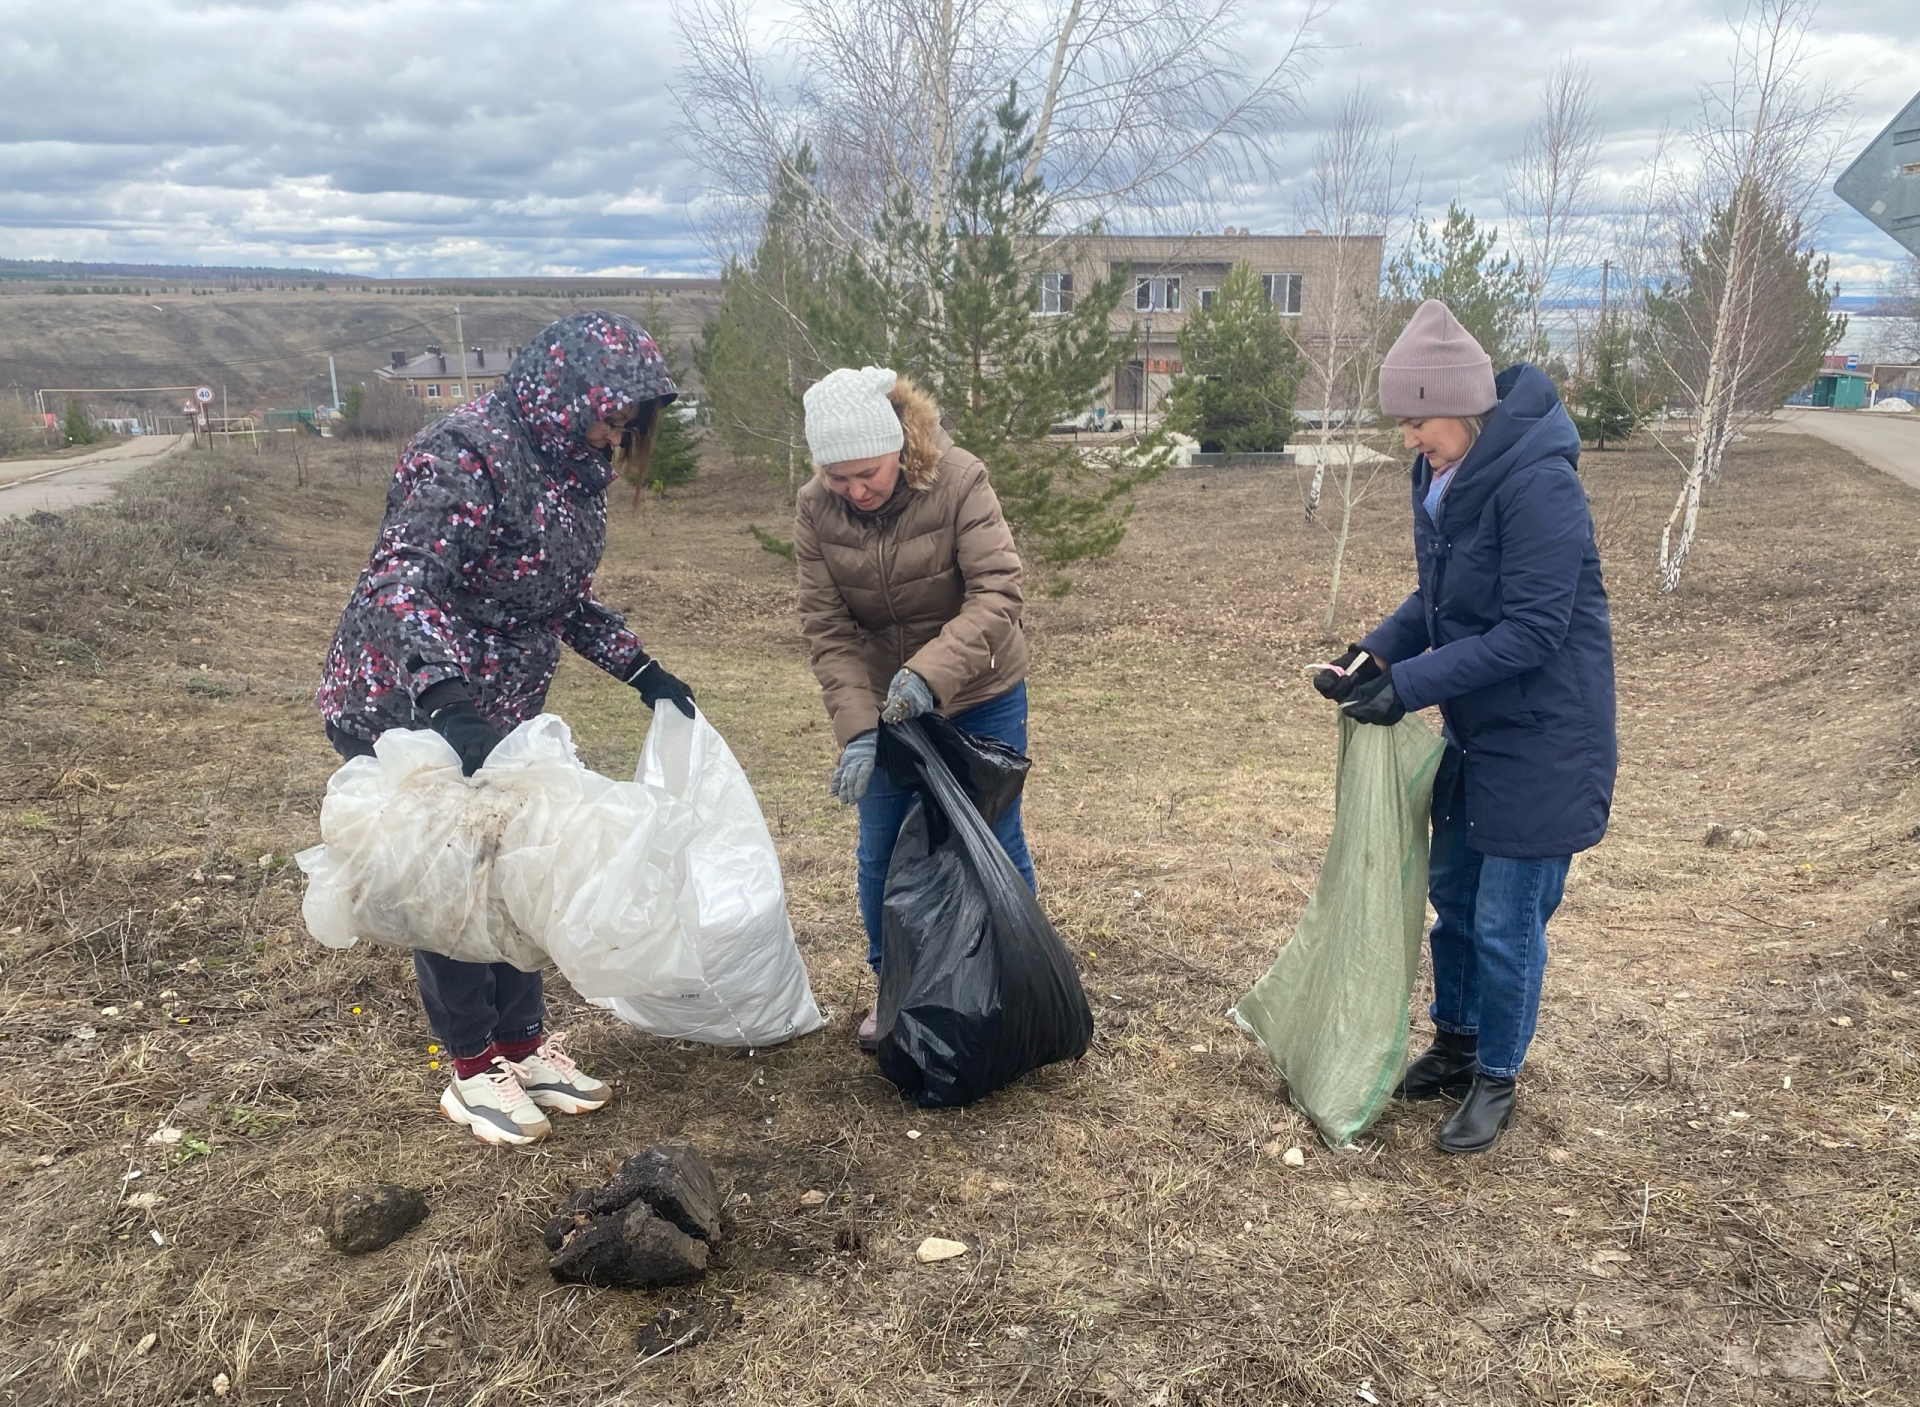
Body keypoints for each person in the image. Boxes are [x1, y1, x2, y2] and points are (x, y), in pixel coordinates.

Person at [316, 311, 699, 1147]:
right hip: (409, 702)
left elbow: (556, 594)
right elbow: (400, 585)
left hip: (498, 712)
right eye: (608, 416)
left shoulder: (573, 471)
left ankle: (523, 1045)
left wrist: (642, 671)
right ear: (565, 393)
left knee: (515, 869)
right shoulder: (464, 452)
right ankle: (471, 1065)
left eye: (628, 425)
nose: (615, 435)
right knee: (450, 881)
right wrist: (450, 702)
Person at [1315, 299, 1617, 1155]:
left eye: (1418, 419)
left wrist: (1409, 687)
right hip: (1479, 729)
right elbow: (1439, 601)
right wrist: (1373, 656)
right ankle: (1454, 1044)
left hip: (1547, 738)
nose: (1409, 437)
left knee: (1505, 919)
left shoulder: (1539, 482)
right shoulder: (1441, 476)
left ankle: (1497, 1075)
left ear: (1464, 404)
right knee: (1454, 897)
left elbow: (1530, 631)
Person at [793, 366, 1037, 1049]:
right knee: (879, 848)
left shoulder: (960, 480)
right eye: (838, 478)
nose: (854, 490)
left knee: (992, 835)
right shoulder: (817, 507)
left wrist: (930, 675)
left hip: (980, 691)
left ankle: (1017, 974)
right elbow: (828, 627)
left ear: (900, 444)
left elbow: (998, 591)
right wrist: (861, 733)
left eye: (866, 472)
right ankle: (893, 984)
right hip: (883, 706)